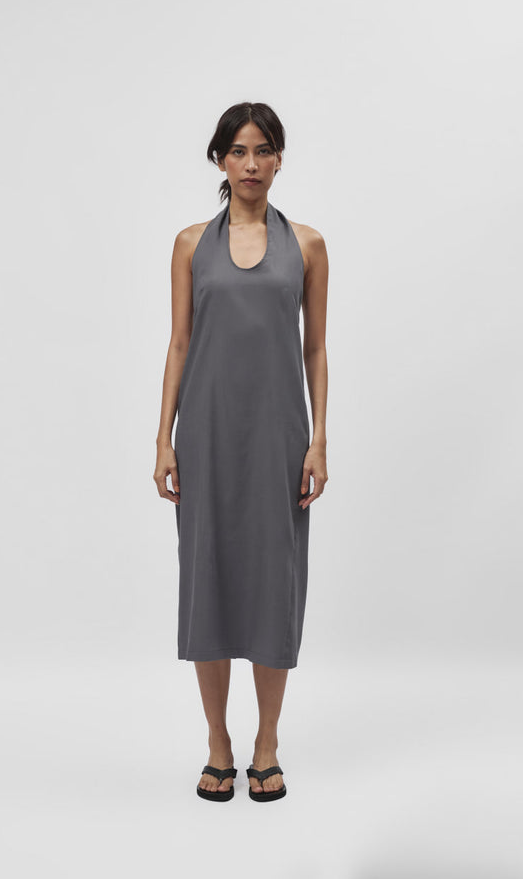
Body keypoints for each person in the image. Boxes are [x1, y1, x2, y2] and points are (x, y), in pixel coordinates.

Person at [154, 102, 329, 802]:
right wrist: (163, 438)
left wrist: (319, 439)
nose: (251, 164)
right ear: (220, 160)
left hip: (280, 436)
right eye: (237, 151)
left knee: (273, 582)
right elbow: (180, 343)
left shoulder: (308, 245)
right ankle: (218, 744)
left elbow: (315, 349)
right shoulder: (190, 243)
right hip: (206, 432)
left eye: (262, 150)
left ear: (279, 158)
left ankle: (267, 744)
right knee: (209, 580)